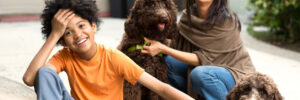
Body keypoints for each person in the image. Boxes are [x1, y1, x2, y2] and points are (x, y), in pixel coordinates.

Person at [22, 0, 193, 100]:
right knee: (44, 72)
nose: (77, 35)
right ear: (63, 41)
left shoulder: (112, 57)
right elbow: (30, 78)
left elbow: (161, 88)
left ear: (93, 26)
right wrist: (54, 35)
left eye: (82, 26)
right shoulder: (65, 56)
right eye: (67, 32)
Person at [141, 0, 256, 100]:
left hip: (235, 74)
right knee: (167, 62)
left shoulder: (227, 21)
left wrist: (163, 49)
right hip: (206, 70)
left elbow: (203, 58)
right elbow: (175, 42)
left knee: (200, 74)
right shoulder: (189, 16)